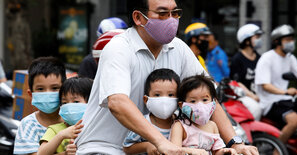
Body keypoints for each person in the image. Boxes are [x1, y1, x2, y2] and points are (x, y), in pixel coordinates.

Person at [75, 0, 258, 154]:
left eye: (175, 13)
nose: (171, 20)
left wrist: (236, 143)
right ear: (138, 17)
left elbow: (208, 98)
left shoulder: (178, 48)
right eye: (162, 13)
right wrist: (160, 142)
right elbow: (117, 101)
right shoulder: (119, 48)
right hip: (105, 147)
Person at [255, 24, 297, 143]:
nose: (291, 42)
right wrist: (285, 91)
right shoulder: (267, 58)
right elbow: (265, 85)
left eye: (292, 39)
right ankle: (277, 151)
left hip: (286, 99)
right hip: (270, 102)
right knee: (294, 120)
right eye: (287, 40)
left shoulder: (290, 58)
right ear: (277, 42)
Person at [170, 75, 237, 155]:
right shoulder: (180, 126)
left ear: (213, 102)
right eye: (193, 101)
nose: (200, 106)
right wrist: (191, 151)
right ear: (182, 105)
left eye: (205, 100)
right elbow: (174, 151)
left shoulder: (213, 126)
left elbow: (216, 151)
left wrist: (224, 151)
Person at [13, 57, 66, 154]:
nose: (48, 93)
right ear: (31, 94)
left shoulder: (73, 120)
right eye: (40, 89)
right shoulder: (28, 125)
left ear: (64, 91)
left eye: (54, 88)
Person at [123, 68, 182, 154]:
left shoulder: (181, 123)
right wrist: (146, 146)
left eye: (170, 95)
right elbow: (127, 147)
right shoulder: (143, 123)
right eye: (157, 95)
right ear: (146, 99)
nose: (164, 100)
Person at [38, 77, 93, 155]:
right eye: (64, 103)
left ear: (91, 103)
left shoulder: (96, 129)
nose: (69, 106)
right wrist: (61, 135)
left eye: (76, 102)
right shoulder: (55, 130)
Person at [230, 24, 263, 120]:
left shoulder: (259, 58)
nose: (259, 39)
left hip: (259, 95)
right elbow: (237, 83)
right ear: (247, 40)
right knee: (256, 109)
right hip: (244, 96)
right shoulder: (237, 59)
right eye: (257, 37)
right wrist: (252, 96)